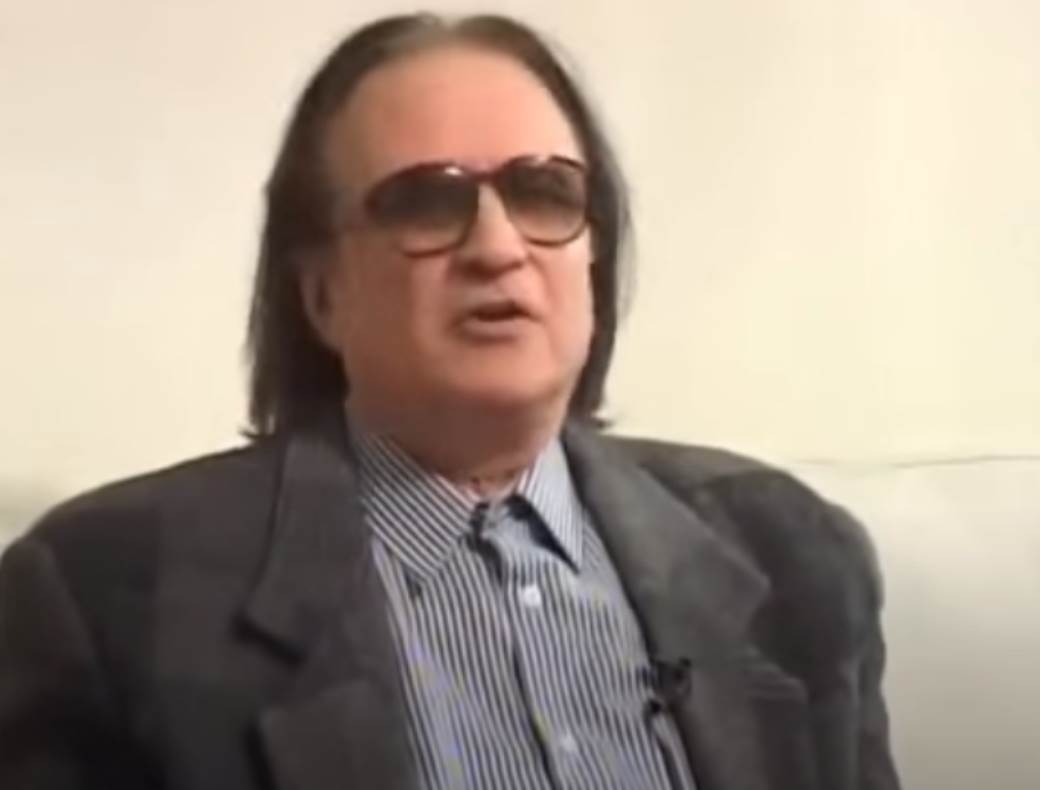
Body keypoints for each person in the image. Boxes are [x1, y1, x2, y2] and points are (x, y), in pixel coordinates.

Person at [0, 12, 901, 790]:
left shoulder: (795, 553)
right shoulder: (101, 596)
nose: (498, 247)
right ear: (320, 292)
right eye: (426, 205)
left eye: (544, 191)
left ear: (593, 254)